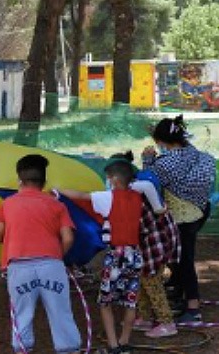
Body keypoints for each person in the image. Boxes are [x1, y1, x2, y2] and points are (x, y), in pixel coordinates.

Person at [0, 154, 81, 354]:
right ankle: (69, 349)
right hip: (51, 264)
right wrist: (56, 256)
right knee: (61, 313)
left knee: (21, 315)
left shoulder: (7, 204)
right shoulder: (57, 205)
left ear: (19, 180)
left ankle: (22, 349)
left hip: (19, 267)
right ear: (44, 182)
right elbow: (68, 238)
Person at [61, 159, 144, 354]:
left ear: (114, 179)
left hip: (116, 256)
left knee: (105, 303)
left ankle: (113, 345)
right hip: (135, 255)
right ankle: (125, 342)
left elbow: (81, 196)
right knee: (131, 301)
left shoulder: (109, 197)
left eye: (107, 178)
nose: (106, 181)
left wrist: (58, 190)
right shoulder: (137, 197)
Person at [142, 115, 216, 323]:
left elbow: (148, 182)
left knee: (183, 260)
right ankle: (180, 292)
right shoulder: (195, 153)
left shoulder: (165, 163)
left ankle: (193, 308)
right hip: (200, 211)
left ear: (162, 141)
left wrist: (148, 159)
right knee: (179, 256)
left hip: (182, 217)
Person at [110, 152, 180, 338]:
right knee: (141, 282)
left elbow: (138, 228)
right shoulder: (136, 193)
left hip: (152, 248)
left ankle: (167, 323)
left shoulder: (135, 199)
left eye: (110, 180)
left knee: (152, 284)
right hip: (147, 248)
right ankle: (146, 317)